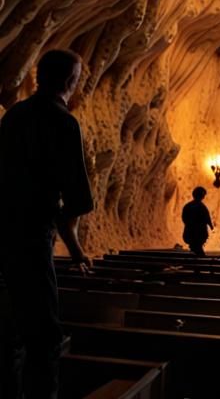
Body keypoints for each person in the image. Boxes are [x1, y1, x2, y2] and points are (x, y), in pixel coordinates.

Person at [0, 48, 94, 399]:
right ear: (71, 81)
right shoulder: (63, 122)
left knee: (8, 335)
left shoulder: (13, 117)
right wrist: (76, 251)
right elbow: (77, 202)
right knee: (44, 336)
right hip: (31, 238)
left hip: (3, 233)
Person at [181, 186, 214, 256]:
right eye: (203, 195)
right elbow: (207, 217)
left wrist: (188, 225)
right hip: (199, 232)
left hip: (190, 231)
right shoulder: (202, 206)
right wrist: (210, 225)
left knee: (195, 247)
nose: (204, 197)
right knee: (198, 248)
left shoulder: (188, 206)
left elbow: (184, 218)